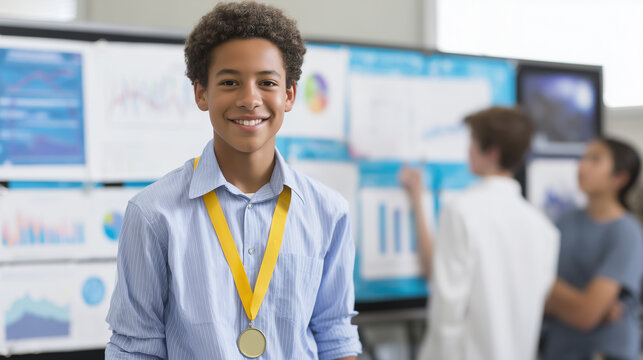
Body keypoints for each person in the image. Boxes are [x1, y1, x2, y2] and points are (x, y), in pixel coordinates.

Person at [105, 2, 361, 359]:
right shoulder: (153, 214)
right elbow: (135, 347)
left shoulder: (328, 212)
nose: (249, 99)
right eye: (229, 82)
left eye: (267, 82)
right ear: (201, 93)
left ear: (289, 95)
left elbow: (335, 335)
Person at [399, 107, 560, 360]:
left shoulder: (462, 212)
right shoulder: (543, 229)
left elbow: (447, 309)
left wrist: (418, 199)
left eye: (472, 142)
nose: (468, 150)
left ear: (491, 152)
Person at [544, 137, 643, 360]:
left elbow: (585, 314)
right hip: (559, 350)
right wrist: (587, 305)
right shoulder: (565, 221)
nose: (582, 166)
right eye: (583, 158)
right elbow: (534, 292)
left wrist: (548, 287)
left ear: (620, 178)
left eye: (595, 159)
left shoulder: (627, 233)